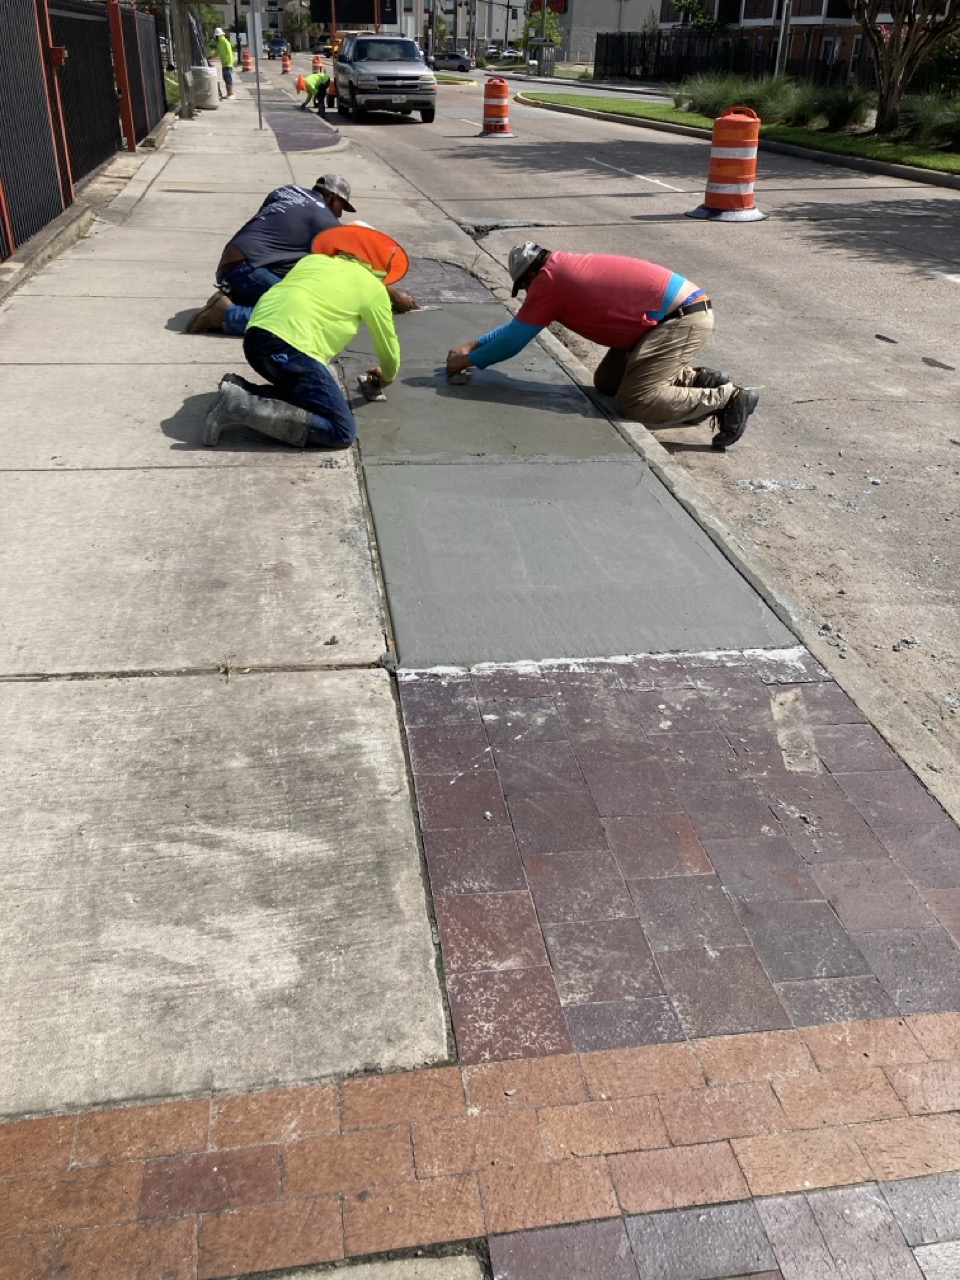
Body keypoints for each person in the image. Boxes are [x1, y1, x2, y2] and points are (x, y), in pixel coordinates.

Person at [445, 242, 758, 451]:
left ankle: (728, 398)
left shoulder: (549, 281)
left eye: (524, 286)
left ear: (529, 274)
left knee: (635, 400)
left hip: (680, 319)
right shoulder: (557, 270)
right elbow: (520, 326)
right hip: (665, 318)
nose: (527, 293)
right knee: (607, 382)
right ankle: (696, 380)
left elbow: (514, 341)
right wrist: (473, 345)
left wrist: (466, 361)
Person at [203, 225, 408, 449]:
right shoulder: (373, 288)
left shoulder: (311, 262)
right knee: (340, 430)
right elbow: (388, 346)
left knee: (308, 393)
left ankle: (242, 390)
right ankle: (239, 405)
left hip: (254, 339)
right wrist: (387, 375)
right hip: (290, 348)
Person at [186, 175, 419, 335]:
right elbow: (355, 268)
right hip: (248, 269)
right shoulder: (325, 220)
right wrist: (392, 293)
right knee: (306, 316)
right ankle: (225, 315)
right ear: (332, 198)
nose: (339, 215)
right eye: (341, 207)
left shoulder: (286, 191)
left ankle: (239, 298)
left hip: (231, 265)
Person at [213, 28, 235, 99]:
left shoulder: (225, 42)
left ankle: (231, 94)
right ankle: (228, 94)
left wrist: (229, 62)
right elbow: (218, 52)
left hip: (227, 64)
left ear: (218, 36)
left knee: (228, 79)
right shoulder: (220, 43)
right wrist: (211, 56)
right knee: (225, 78)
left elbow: (229, 53)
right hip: (224, 64)